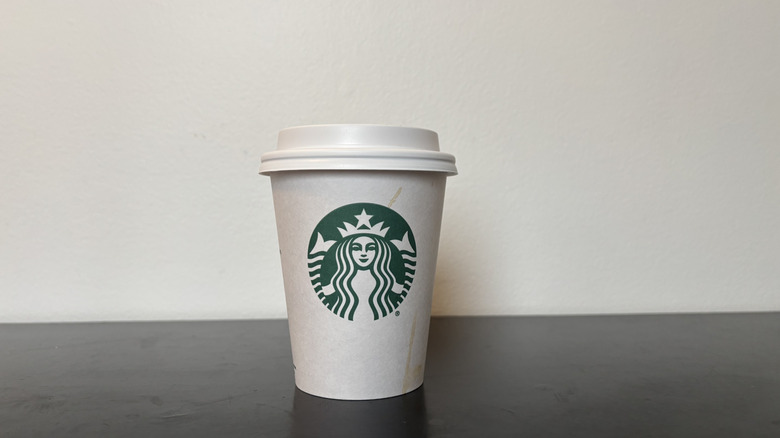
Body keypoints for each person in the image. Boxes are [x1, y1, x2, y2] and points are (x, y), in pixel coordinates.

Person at [319, 234, 406, 321]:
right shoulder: (339, 279)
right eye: (356, 248)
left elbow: (400, 291)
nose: (364, 253)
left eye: (371, 248)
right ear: (348, 252)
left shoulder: (387, 279)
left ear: (379, 252)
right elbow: (324, 292)